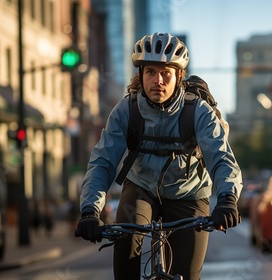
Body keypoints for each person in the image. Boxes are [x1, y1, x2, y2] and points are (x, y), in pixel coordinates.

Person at [77, 32, 243, 279]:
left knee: (187, 273)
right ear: (140, 75)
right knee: (127, 238)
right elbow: (103, 161)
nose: (159, 80)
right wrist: (90, 210)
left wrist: (228, 199)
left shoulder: (198, 111)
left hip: (189, 194)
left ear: (179, 77)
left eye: (166, 73)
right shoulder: (126, 110)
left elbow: (220, 157)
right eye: (151, 72)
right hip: (141, 188)